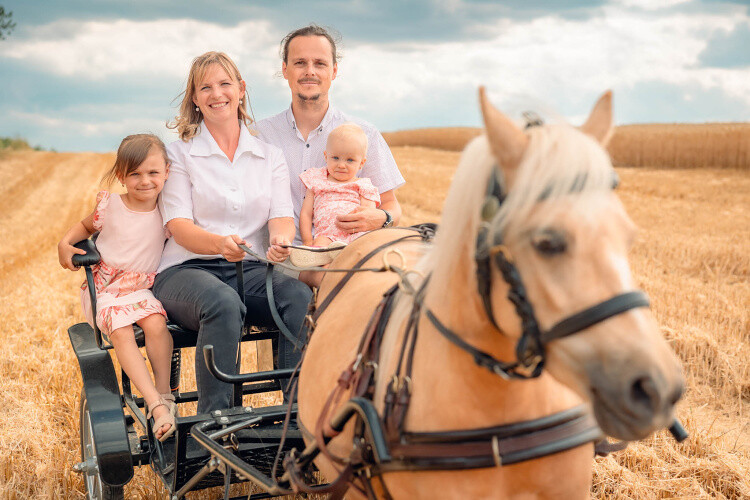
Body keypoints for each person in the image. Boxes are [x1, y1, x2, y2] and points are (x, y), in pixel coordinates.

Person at [154, 51, 312, 414]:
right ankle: (216, 423)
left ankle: (296, 415)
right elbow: (179, 227)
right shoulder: (179, 155)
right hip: (186, 271)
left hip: (248, 269)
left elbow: (281, 216)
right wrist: (219, 244)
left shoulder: (268, 155)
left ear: (241, 90)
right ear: (194, 98)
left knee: (297, 294)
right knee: (223, 304)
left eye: (225, 84)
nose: (216, 93)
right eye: (205, 87)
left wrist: (281, 240)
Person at [58, 134, 176, 441]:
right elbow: (84, 227)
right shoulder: (111, 206)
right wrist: (64, 244)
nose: (144, 181)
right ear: (121, 176)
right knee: (122, 331)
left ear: (167, 171)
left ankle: (166, 395)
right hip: (107, 290)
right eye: (134, 173)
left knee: (157, 324)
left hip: (140, 288)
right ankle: (153, 404)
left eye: (152, 172)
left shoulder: (169, 209)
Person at [256, 24, 404, 240]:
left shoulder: (365, 134)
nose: (310, 71)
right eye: (300, 63)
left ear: (334, 71)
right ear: (285, 70)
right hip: (275, 262)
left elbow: (392, 206)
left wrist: (382, 218)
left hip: (342, 261)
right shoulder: (260, 136)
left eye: (320, 63)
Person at [290, 123, 379, 279]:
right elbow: (306, 213)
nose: (341, 165)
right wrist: (307, 240)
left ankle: (341, 257)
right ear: (326, 156)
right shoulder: (317, 180)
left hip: (353, 235)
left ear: (361, 163)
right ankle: (315, 255)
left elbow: (368, 216)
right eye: (335, 158)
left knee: (355, 249)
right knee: (321, 246)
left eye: (350, 160)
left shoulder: (363, 185)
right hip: (326, 235)